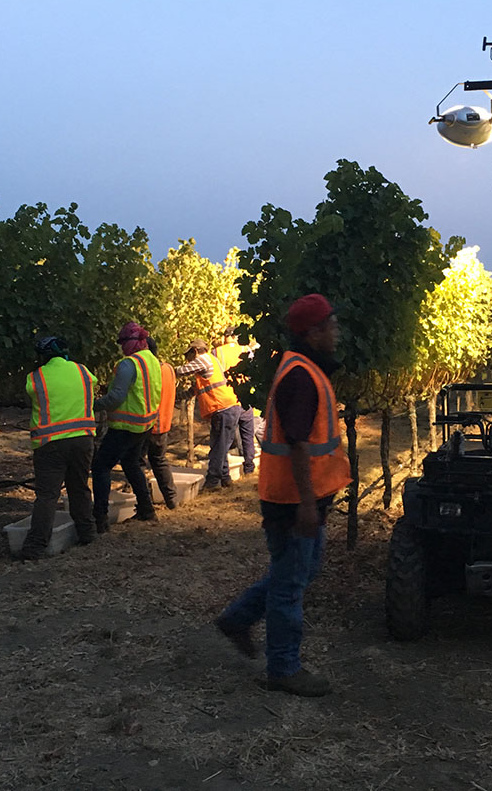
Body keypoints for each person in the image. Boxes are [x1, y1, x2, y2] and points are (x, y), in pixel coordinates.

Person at [215, 293, 350, 697]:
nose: (336, 332)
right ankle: (284, 668)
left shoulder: (307, 368)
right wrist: (307, 505)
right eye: (331, 325)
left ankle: (237, 619)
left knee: (300, 574)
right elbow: (296, 443)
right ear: (312, 332)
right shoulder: (301, 376)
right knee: (291, 585)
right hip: (293, 503)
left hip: (303, 498)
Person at [21, 335, 98, 559]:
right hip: (82, 440)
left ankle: (34, 547)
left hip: (50, 444)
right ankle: (88, 533)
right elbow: (92, 384)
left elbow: (30, 395)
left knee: (47, 495)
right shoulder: (83, 372)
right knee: (80, 487)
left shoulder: (35, 378)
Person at [91, 321, 163, 531]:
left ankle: (100, 520)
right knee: (131, 463)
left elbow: (116, 397)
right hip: (146, 423)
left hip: (126, 426)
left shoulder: (128, 364)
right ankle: (147, 510)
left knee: (101, 467)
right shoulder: (152, 360)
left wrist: (91, 406)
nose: (121, 347)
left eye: (123, 342)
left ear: (132, 342)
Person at [175, 338, 250, 488]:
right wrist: (173, 397)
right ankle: (225, 478)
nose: (187, 359)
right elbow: (190, 393)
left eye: (188, 356)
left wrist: (164, 370)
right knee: (219, 445)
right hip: (226, 408)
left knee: (218, 446)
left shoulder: (204, 359)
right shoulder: (207, 369)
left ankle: (212, 482)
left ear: (195, 351)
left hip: (224, 408)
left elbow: (181, 371)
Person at [212, 327, 258, 475]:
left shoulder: (217, 352)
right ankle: (249, 468)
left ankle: (223, 474)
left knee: (224, 440)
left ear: (226, 337)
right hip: (244, 399)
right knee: (247, 435)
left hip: (227, 399)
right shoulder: (245, 349)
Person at [142, 335, 179, 509]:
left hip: (149, 423)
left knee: (138, 463)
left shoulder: (151, 371)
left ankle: (145, 503)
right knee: (159, 460)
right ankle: (172, 500)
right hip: (164, 422)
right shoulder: (169, 368)